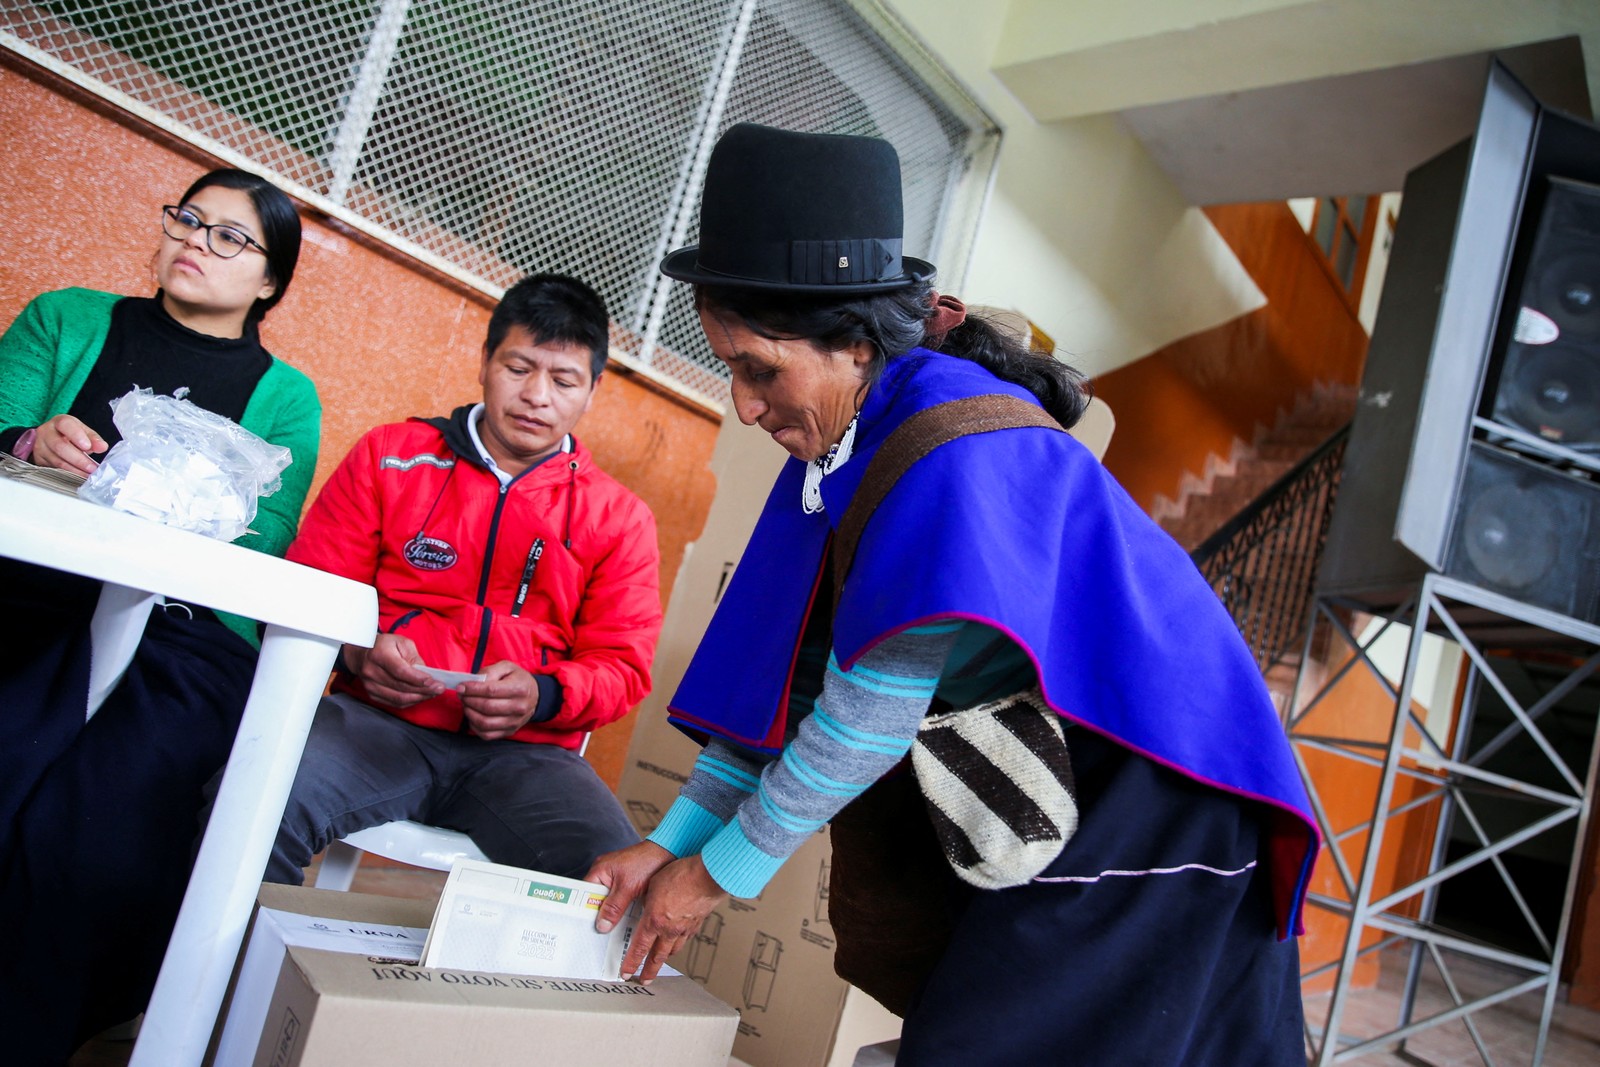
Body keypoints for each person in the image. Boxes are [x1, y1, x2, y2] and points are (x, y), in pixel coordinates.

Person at [586, 124, 1320, 1065]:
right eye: (730, 367)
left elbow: (861, 724)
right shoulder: (840, 444)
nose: (744, 405)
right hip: (1067, 784)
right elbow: (783, 690)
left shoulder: (945, 450)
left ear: (854, 344)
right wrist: (673, 840)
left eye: (759, 368)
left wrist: (709, 877)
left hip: (1165, 789)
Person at [0, 167, 316, 1064]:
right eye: (188, 219)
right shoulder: (67, 317)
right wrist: (30, 445)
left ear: (268, 281)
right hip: (31, 584)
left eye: (230, 237)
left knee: (94, 824)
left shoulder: (285, 396)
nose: (195, 242)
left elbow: (263, 542)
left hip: (186, 629)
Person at [266, 272, 661, 885]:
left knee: (612, 888)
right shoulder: (390, 455)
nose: (537, 396)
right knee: (253, 800)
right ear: (484, 361)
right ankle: (222, 980)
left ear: (592, 392)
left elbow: (622, 666)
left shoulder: (620, 518)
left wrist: (542, 694)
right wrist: (356, 649)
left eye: (563, 380)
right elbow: (312, 587)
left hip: (529, 756)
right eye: (519, 368)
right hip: (372, 727)